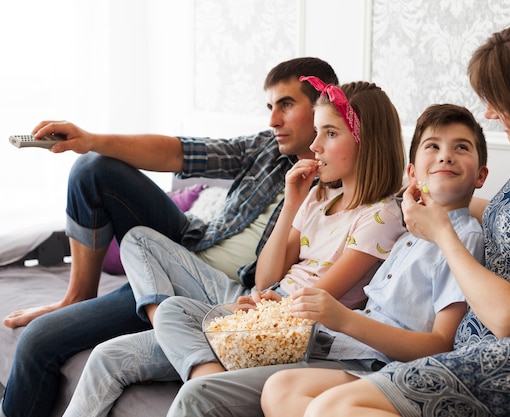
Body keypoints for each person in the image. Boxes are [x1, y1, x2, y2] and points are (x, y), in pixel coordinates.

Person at [262, 17, 510, 417]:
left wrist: (442, 233)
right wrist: (420, 196)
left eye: (497, 99)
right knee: (284, 392)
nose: (488, 112)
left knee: (334, 409)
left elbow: (508, 316)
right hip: (478, 342)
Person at [0, 57, 339, 417]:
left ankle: (166, 320)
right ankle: (80, 295)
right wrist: (90, 139)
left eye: (286, 105)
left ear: (322, 105)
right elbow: (181, 151)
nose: (273, 120)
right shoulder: (265, 147)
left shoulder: (341, 184)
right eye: (270, 107)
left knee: (38, 342)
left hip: (221, 295)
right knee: (92, 166)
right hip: (179, 253)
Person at [61, 78, 407, 417]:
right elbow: (265, 277)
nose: (315, 146)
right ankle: (205, 366)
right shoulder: (319, 195)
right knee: (121, 340)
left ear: (368, 142)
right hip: (266, 307)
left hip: (293, 330)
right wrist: (291, 203)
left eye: (330, 134)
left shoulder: (381, 216)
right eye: (317, 132)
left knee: (151, 330)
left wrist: (263, 309)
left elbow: (316, 302)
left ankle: (204, 370)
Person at [151, 102, 489, 417]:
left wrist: (339, 317)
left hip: (375, 361)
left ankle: (213, 369)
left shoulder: (460, 238)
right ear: (413, 173)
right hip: (341, 343)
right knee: (171, 320)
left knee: (202, 392)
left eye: (461, 147)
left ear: (481, 176)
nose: (446, 156)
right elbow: (267, 277)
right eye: (434, 146)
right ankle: (215, 365)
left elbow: (442, 344)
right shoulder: (410, 225)